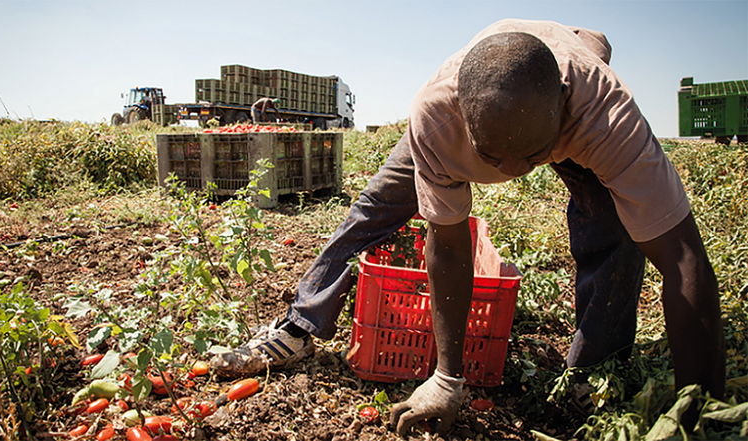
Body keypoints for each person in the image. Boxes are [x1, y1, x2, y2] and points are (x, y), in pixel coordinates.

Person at [212, 19, 725, 437]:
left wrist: (699, 409)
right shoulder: (437, 116)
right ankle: (303, 323)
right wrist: (447, 377)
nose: (512, 172)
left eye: (531, 157)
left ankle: (593, 373)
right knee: (376, 207)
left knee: (613, 235)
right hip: (491, 102)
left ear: (563, 109)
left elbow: (685, 262)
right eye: (491, 158)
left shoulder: (605, 116)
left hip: (570, 111)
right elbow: (450, 246)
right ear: (464, 119)